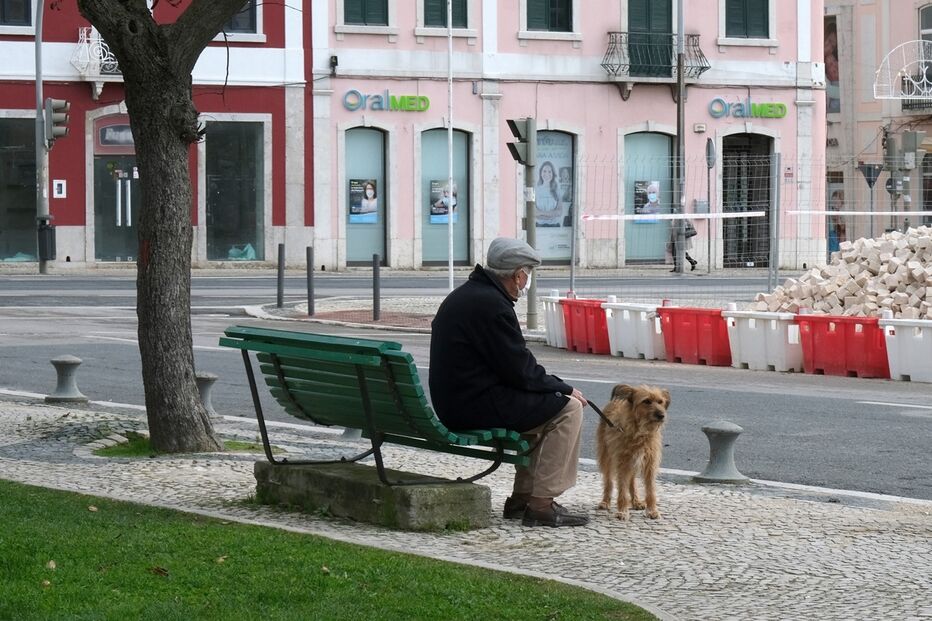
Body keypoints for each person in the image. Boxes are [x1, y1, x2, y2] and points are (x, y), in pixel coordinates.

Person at [429, 237, 590, 527]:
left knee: (545, 408)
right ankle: (540, 504)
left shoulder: (466, 295)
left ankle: (523, 499)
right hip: (473, 405)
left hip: (456, 400)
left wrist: (552, 389)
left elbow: (513, 368)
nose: (525, 283)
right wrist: (565, 389)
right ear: (518, 275)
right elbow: (521, 370)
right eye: (526, 276)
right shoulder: (492, 306)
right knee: (567, 410)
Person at [535, 161, 563, 226]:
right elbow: (534, 212)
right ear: (540, 173)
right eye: (544, 171)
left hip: (555, 226)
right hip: (539, 227)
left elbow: (559, 212)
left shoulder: (558, 190)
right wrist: (552, 214)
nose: (547, 174)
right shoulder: (535, 190)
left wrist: (541, 213)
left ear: (553, 174)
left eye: (550, 171)